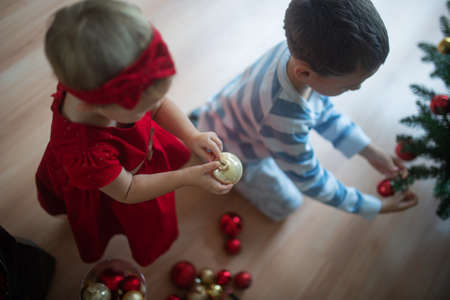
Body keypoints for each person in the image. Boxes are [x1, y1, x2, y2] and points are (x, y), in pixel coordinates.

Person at [35, 0, 233, 266]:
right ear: (91, 105)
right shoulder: (84, 151)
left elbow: (159, 103)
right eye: (144, 108)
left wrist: (191, 135)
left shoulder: (93, 84)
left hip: (139, 155)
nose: (155, 106)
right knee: (124, 222)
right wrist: (189, 177)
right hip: (114, 187)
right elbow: (127, 190)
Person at [190, 0, 418, 221]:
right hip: (235, 149)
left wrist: (371, 151)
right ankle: (208, 152)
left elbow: (323, 112)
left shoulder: (300, 50)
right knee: (287, 205)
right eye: (348, 85)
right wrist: (375, 207)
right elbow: (311, 180)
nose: (357, 88)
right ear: (305, 73)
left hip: (228, 109)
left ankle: (200, 123)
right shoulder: (284, 120)